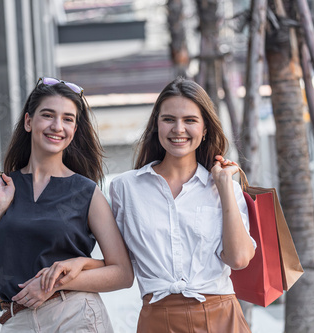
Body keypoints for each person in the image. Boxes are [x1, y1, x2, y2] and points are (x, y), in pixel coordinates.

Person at [0, 77, 133, 332]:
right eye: (48, 115)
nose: (57, 126)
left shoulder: (87, 192)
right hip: (16, 320)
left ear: (74, 130)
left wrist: (56, 283)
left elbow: (122, 273)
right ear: (29, 122)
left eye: (67, 119)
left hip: (74, 314)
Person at [109, 77, 256, 332]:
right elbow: (117, 264)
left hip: (222, 317)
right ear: (157, 124)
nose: (179, 129)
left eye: (190, 120)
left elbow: (239, 258)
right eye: (169, 119)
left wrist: (223, 188)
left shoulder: (225, 188)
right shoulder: (125, 188)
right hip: (158, 318)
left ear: (205, 128)